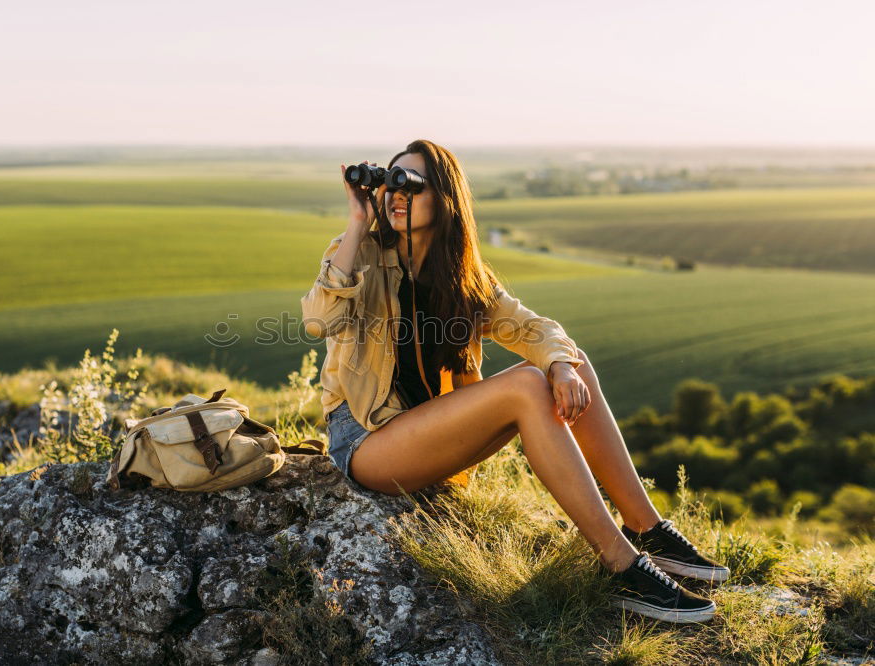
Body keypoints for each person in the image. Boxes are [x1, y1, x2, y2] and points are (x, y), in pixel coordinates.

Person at [300, 139, 729, 624]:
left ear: (445, 199)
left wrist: (561, 366)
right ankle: (621, 568)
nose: (395, 196)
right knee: (529, 383)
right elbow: (319, 321)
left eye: (410, 185)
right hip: (366, 442)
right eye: (388, 184)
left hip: (425, 436)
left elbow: (536, 328)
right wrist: (359, 221)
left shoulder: (459, 275)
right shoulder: (358, 253)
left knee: (570, 363)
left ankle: (646, 528)